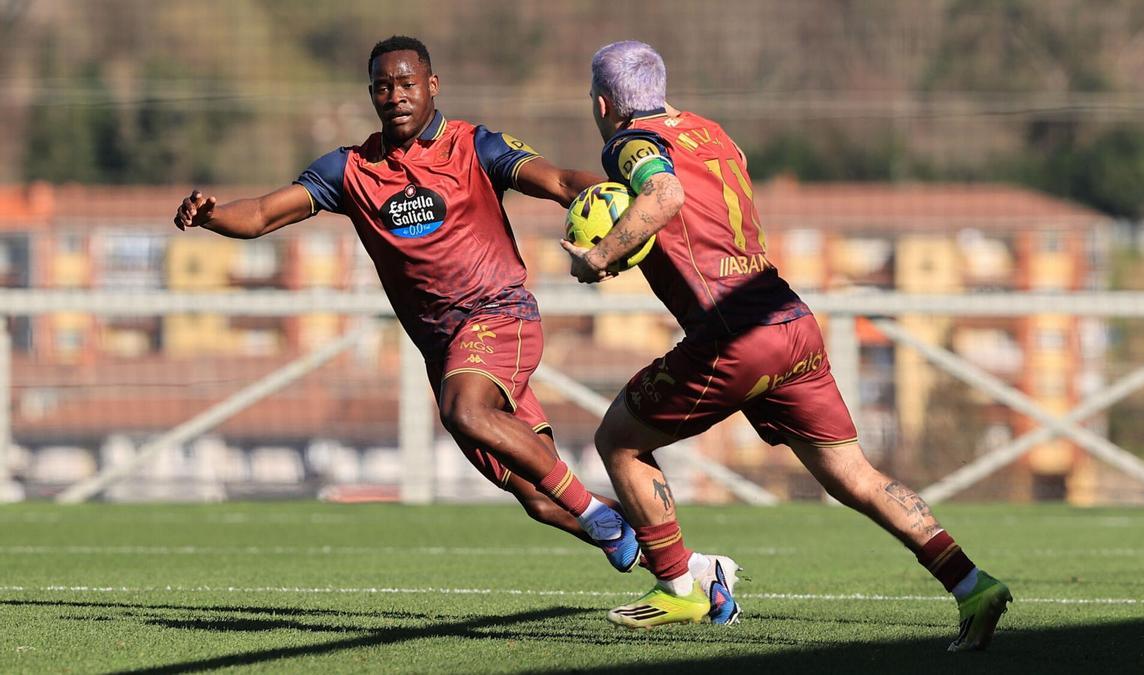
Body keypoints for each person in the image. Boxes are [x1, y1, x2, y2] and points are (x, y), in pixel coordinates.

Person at [561, 40, 1012, 649]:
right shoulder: (713, 133)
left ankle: (679, 586)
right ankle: (972, 584)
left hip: (734, 333)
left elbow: (665, 196)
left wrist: (602, 254)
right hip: (790, 319)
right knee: (855, 475)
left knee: (619, 440)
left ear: (603, 102)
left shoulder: (630, 144)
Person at [173, 35, 641, 573]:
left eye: (407, 84)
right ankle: (683, 566)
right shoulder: (348, 171)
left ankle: (595, 513)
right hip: (445, 350)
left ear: (432, 86)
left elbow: (559, 180)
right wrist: (210, 215)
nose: (395, 95)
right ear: (372, 94)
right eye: (382, 87)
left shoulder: (475, 145)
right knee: (538, 498)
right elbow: (258, 215)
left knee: (465, 411)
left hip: (499, 315)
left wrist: (612, 200)